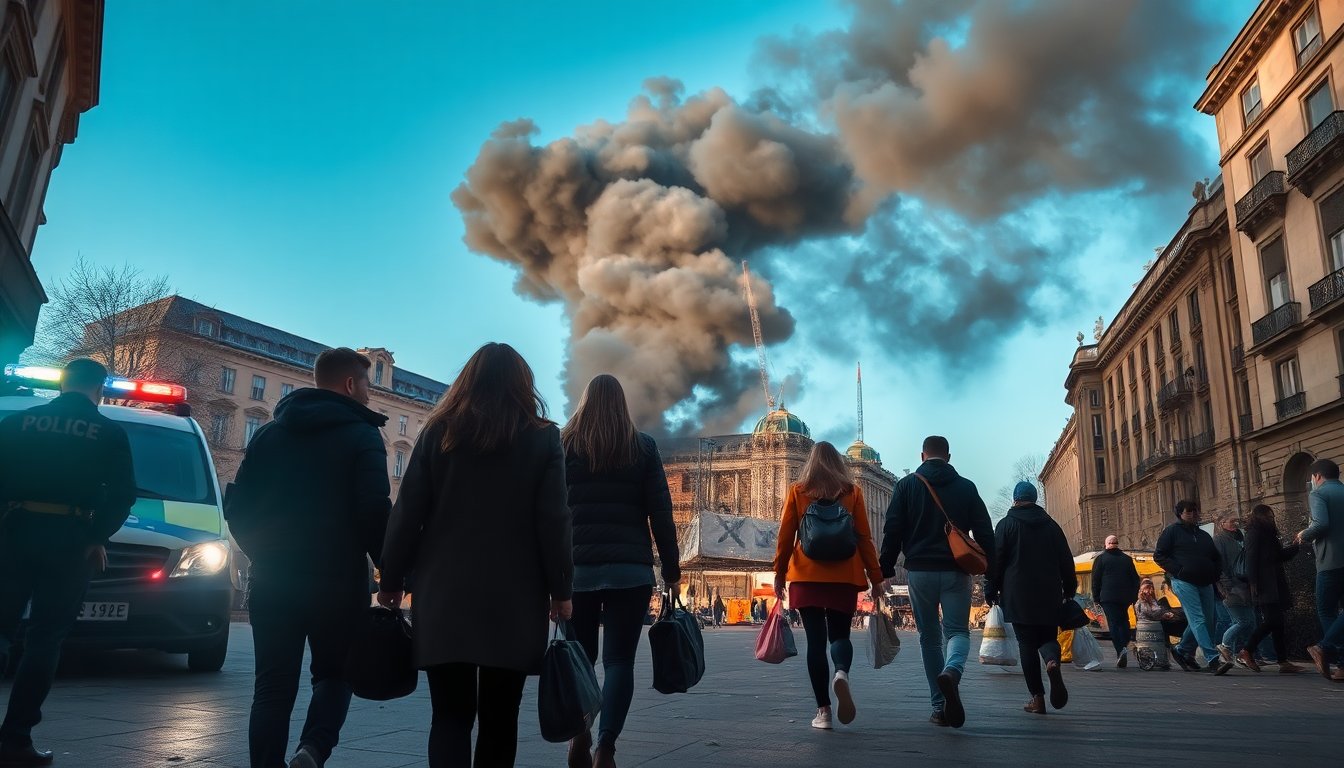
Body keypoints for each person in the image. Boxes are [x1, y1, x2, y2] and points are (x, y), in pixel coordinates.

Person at [378, 343, 573, 768]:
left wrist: (390, 580)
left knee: (449, 716)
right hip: (515, 598)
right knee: (500, 719)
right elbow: (554, 521)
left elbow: (407, 513)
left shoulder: (438, 432)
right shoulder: (543, 437)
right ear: (523, 385)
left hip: (444, 594)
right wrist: (561, 590)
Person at [224, 348, 392, 768]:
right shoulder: (363, 435)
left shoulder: (268, 434)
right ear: (350, 384)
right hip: (338, 582)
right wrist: (389, 569)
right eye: (367, 385)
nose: (369, 395)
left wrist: (262, 553)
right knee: (336, 674)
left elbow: (238, 506)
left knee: (272, 686)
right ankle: (313, 749)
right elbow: (374, 511)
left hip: (274, 578)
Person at [0, 359, 135, 767]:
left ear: (62, 383)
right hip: (71, 540)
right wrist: (97, 537)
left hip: (13, 531)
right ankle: (16, 740)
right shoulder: (108, 432)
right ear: (101, 388)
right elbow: (123, 495)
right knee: (45, 639)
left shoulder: (18, 423)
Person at [561, 374, 680, 768]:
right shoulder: (642, 447)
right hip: (631, 572)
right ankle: (606, 748)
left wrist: (549, 574)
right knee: (619, 662)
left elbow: (549, 513)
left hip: (577, 571)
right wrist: (672, 571)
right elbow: (661, 514)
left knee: (581, 658)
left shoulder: (564, 444)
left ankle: (580, 730)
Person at [879, 435, 994, 729]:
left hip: (920, 572)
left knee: (929, 638)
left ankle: (939, 707)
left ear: (922, 456)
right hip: (957, 571)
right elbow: (985, 531)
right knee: (957, 631)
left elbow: (893, 528)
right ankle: (952, 670)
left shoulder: (906, 486)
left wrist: (886, 566)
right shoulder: (966, 487)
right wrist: (992, 569)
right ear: (949, 457)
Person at [773, 442, 883, 731]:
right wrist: (876, 577)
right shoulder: (852, 492)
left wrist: (779, 573)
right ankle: (841, 673)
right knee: (840, 636)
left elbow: (785, 537)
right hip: (844, 575)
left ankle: (823, 712)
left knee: (815, 642)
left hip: (806, 575)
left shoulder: (798, 491)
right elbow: (864, 538)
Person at [986, 482, 1075, 714]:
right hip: (1049, 592)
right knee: (1048, 637)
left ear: (1015, 499)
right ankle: (1052, 662)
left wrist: (990, 589)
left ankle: (1038, 698)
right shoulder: (1052, 526)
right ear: (1034, 499)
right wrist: (1070, 589)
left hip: (1018, 594)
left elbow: (996, 562)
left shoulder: (1006, 525)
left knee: (1026, 644)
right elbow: (1066, 560)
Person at [1153, 500, 1227, 673]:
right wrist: (1178, 571)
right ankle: (1212, 658)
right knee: (1198, 619)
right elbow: (1159, 555)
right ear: (1180, 514)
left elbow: (1215, 557)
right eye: (1189, 512)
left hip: (1205, 581)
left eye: (1195, 511)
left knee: (1209, 620)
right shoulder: (1172, 532)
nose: (1194, 515)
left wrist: (1214, 574)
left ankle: (1182, 650)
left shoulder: (1203, 535)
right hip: (1184, 581)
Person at [1239, 504, 1302, 673]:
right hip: (1264, 584)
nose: (1272, 519)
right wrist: (1253, 583)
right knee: (1272, 621)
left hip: (1274, 582)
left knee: (1278, 623)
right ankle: (1247, 650)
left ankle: (1283, 661)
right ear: (1260, 516)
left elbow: (1278, 556)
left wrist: (1295, 547)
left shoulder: (1269, 534)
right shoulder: (1254, 533)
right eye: (1269, 517)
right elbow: (1251, 559)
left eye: (1272, 517)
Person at [1300, 458, 1344, 681]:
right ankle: (1342, 666)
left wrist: (1304, 534)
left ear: (1317, 476)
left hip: (1330, 562)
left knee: (1327, 611)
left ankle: (1324, 648)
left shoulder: (1318, 494)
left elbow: (1321, 524)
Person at [1212, 513, 1254, 673]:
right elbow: (1219, 564)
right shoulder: (1219, 540)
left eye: (1237, 521)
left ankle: (1234, 653)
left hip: (1244, 586)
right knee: (1242, 621)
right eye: (1231, 521)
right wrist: (1225, 586)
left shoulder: (1240, 538)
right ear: (1222, 523)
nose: (1235, 523)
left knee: (1248, 621)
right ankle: (1225, 646)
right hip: (1232, 587)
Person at [1090, 534, 1140, 668]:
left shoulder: (1101, 559)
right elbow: (1135, 580)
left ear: (1106, 544)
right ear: (1117, 544)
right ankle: (1124, 645)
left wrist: (1096, 598)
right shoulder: (1127, 559)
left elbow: (1095, 580)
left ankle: (1120, 650)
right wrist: (1133, 597)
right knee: (1124, 621)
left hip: (1108, 597)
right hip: (1125, 598)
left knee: (1114, 623)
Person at [1134, 579, 1185, 670]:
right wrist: (1164, 615)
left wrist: (1164, 614)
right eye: (1147, 588)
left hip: (1153, 626)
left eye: (1151, 588)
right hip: (1149, 627)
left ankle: (1163, 659)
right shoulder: (1142, 602)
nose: (1150, 590)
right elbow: (1151, 614)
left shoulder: (1151, 600)